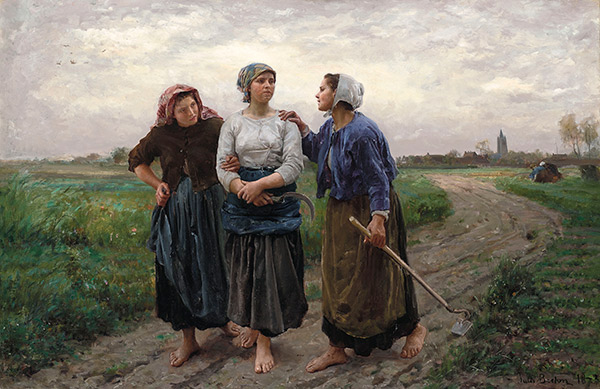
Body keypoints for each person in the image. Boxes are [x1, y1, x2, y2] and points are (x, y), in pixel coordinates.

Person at [280, 73, 427, 373]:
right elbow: (317, 152)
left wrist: (378, 220)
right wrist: (303, 128)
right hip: (341, 210)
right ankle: (337, 348)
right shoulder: (330, 126)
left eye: (322, 89)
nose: (317, 94)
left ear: (339, 94)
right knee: (338, 276)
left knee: (376, 276)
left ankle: (413, 328)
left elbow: (378, 180)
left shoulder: (363, 132)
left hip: (370, 209)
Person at [128, 84, 243, 367]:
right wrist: (158, 185)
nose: (191, 112)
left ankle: (224, 321)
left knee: (219, 263)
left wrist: (235, 161)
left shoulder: (215, 125)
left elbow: (239, 153)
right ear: (171, 112)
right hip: (179, 209)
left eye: (193, 105)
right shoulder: (160, 134)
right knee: (180, 268)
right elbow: (136, 161)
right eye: (183, 109)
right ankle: (189, 340)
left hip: (214, 205)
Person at [216, 63, 308, 374]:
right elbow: (221, 166)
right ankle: (253, 325)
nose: (267, 86)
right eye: (261, 81)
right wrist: (243, 187)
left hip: (276, 202)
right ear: (247, 87)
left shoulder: (285, 123)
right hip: (244, 205)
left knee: (272, 271)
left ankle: (265, 341)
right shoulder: (232, 123)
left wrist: (261, 185)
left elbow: (294, 164)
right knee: (249, 270)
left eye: (272, 81)